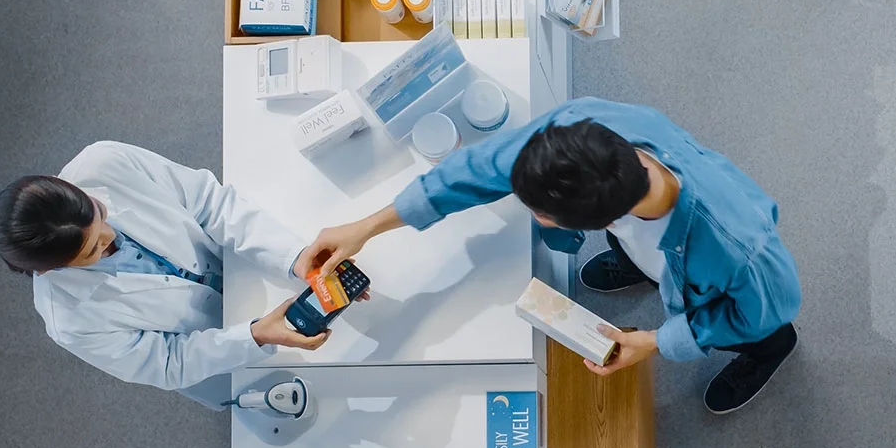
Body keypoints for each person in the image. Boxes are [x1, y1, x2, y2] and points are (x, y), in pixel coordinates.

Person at [295, 99, 801, 413]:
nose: (536, 220)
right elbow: (477, 169)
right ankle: (640, 266)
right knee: (647, 260)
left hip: (735, 299)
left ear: (600, 218)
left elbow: (766, 305)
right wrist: (366, 227)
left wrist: (655, 340)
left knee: (761, 328)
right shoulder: (582, 130)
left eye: (544, 217)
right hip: (649, 243)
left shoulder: (738, 248)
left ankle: (770, 353)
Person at [0, 141, 327, 408]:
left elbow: (210, 203)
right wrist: (254, 338)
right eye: (93, 251)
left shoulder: (104, 163)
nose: (109, 236)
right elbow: (169, 363)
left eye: (100, 214)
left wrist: (292, 256)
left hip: (245, 266)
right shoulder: (70, 320)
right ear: (51, 270)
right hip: (218, 351)